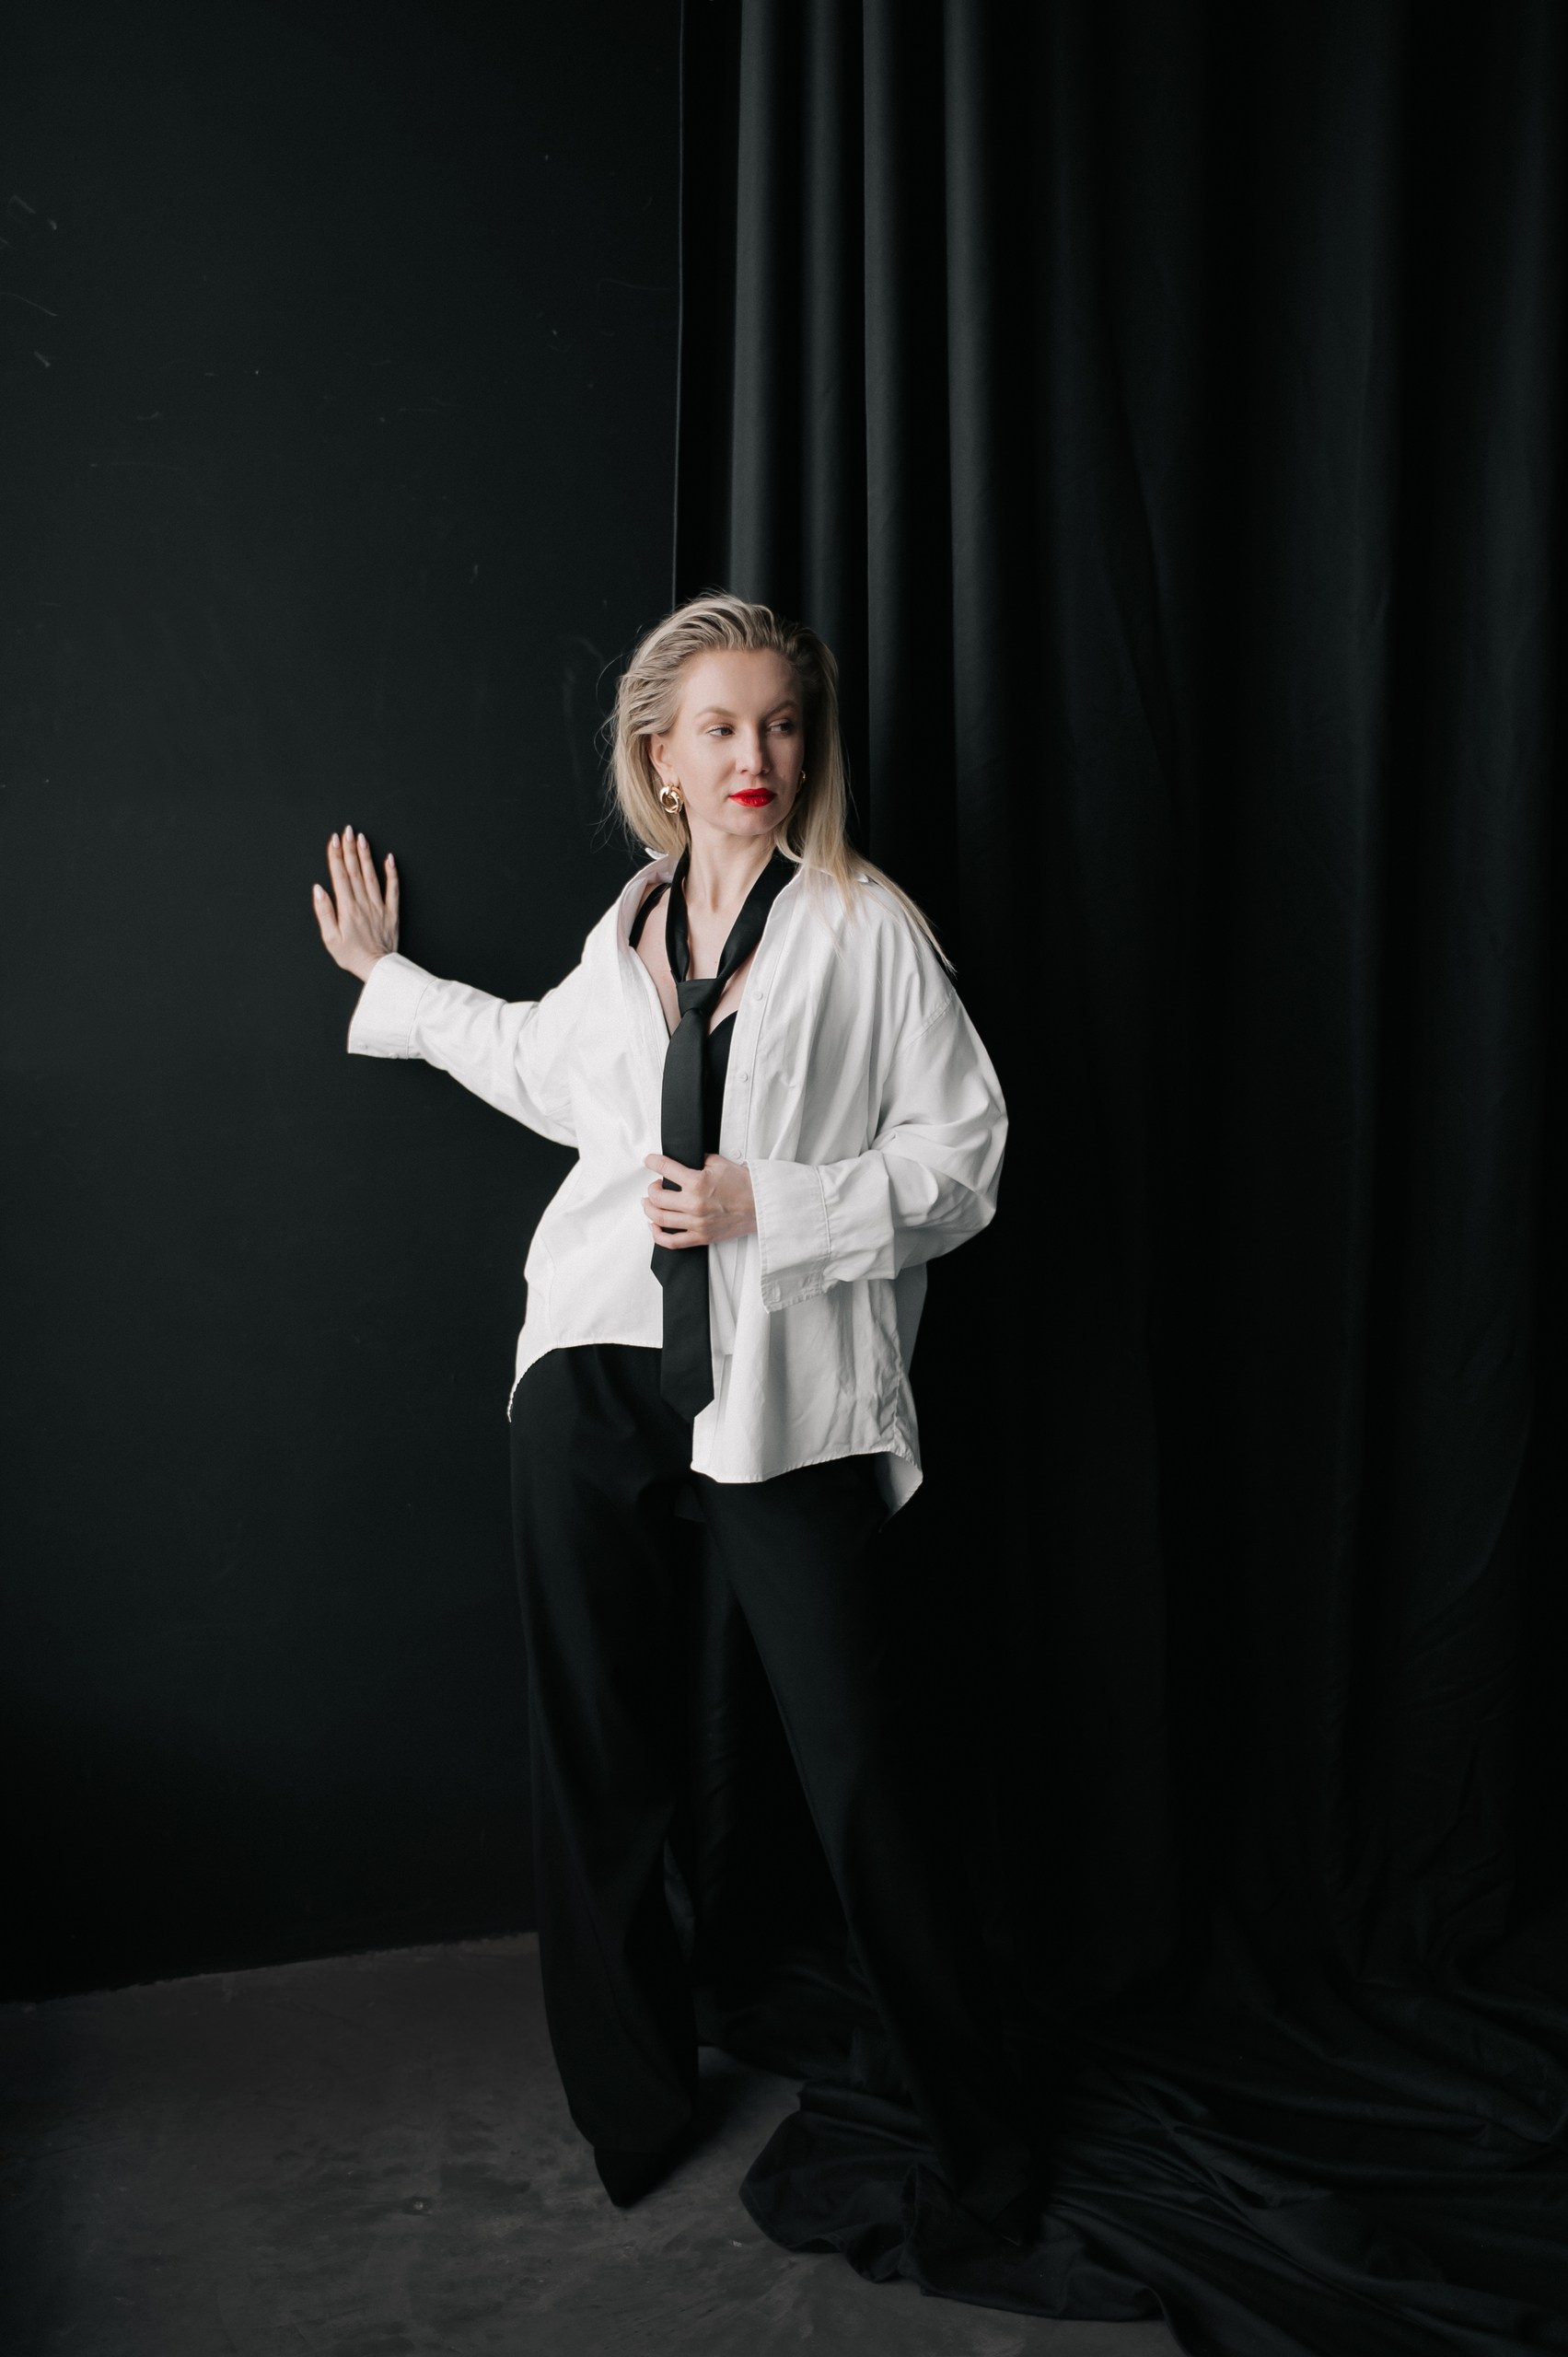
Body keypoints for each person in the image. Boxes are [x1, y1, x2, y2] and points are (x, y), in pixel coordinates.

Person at [309, 590, 1035, 2242]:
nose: (755, 755)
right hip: (596, 1363)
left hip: (783, 1391)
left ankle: (977, 2133)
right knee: (596, 1753)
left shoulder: (864, 927)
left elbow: (966, 1160)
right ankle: (628, 2107)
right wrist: (389, 980)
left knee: (862, 1762)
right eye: (720, 728)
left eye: (780, 724)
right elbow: (539, 1067)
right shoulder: (625, 927)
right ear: (663, 758)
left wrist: (769, 1203)